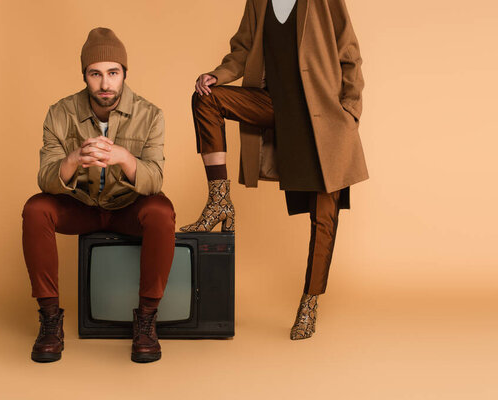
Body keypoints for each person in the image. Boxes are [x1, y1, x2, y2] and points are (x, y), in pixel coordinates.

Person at [180, 0, 368, 339]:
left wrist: (350, 112)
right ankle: (219, 201)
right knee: (207, 98)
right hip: (275, 106)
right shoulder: (258, 2)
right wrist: (217, 75)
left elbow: (349, 53)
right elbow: (241, 50)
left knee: (324, 214)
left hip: (324, 118)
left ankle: (310, 302)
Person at [21, 27, 175, 363]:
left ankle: (147, 319)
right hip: (82, 207)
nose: (105, 84)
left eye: (112, 73)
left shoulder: (151, 115)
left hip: (126, 208)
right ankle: (50, 320)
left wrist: (125, 158)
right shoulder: (59, 113)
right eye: (95, 74)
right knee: (35, 209)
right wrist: (73, 159)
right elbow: (46, 178)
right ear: (84, 76)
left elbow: (155, 180)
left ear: (124, 74)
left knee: (162, 211)